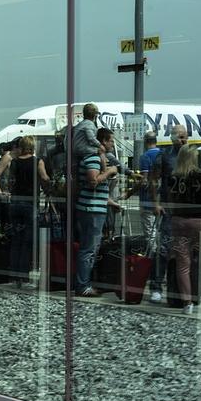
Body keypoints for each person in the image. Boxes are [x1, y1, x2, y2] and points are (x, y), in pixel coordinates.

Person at [167, 145, 201, 314]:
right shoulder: (199, 176)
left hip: (178, 222)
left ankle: (187, 304)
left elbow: (170, 198)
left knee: (183, 264)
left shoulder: (174, 176)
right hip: (199, 221)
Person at [74, 127, 119, 297]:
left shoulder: (98, 158)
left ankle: (84, 282)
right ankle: (83, 285)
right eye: (111, 141)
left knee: (90, 247)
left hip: (93, 207)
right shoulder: (93, 159)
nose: (113, 144)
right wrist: (110, 171)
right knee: (89, 248)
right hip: (92, 210)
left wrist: (110, 202)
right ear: (104, 141)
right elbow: (93, 182)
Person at [148, 124, 189, 303]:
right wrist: (156, 203)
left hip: (187, 210)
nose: (184, 140)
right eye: (180, 137)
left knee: (186, 250)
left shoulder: (193, 156)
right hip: (169, 209)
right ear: (173, 138)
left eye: (185, 137)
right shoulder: (164, 156)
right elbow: (153, 179)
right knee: (164, 248)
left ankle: (186, 290)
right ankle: (156, 286)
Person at [8, 136, 49, 285]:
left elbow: (11, 181)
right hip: (30, 203)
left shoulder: (14, 162)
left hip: (15, 202)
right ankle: (24, 275)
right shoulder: (37, 161)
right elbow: (44, 178)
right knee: (27, 241)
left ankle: (13, 274)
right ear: (32, 146)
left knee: (16, 239)